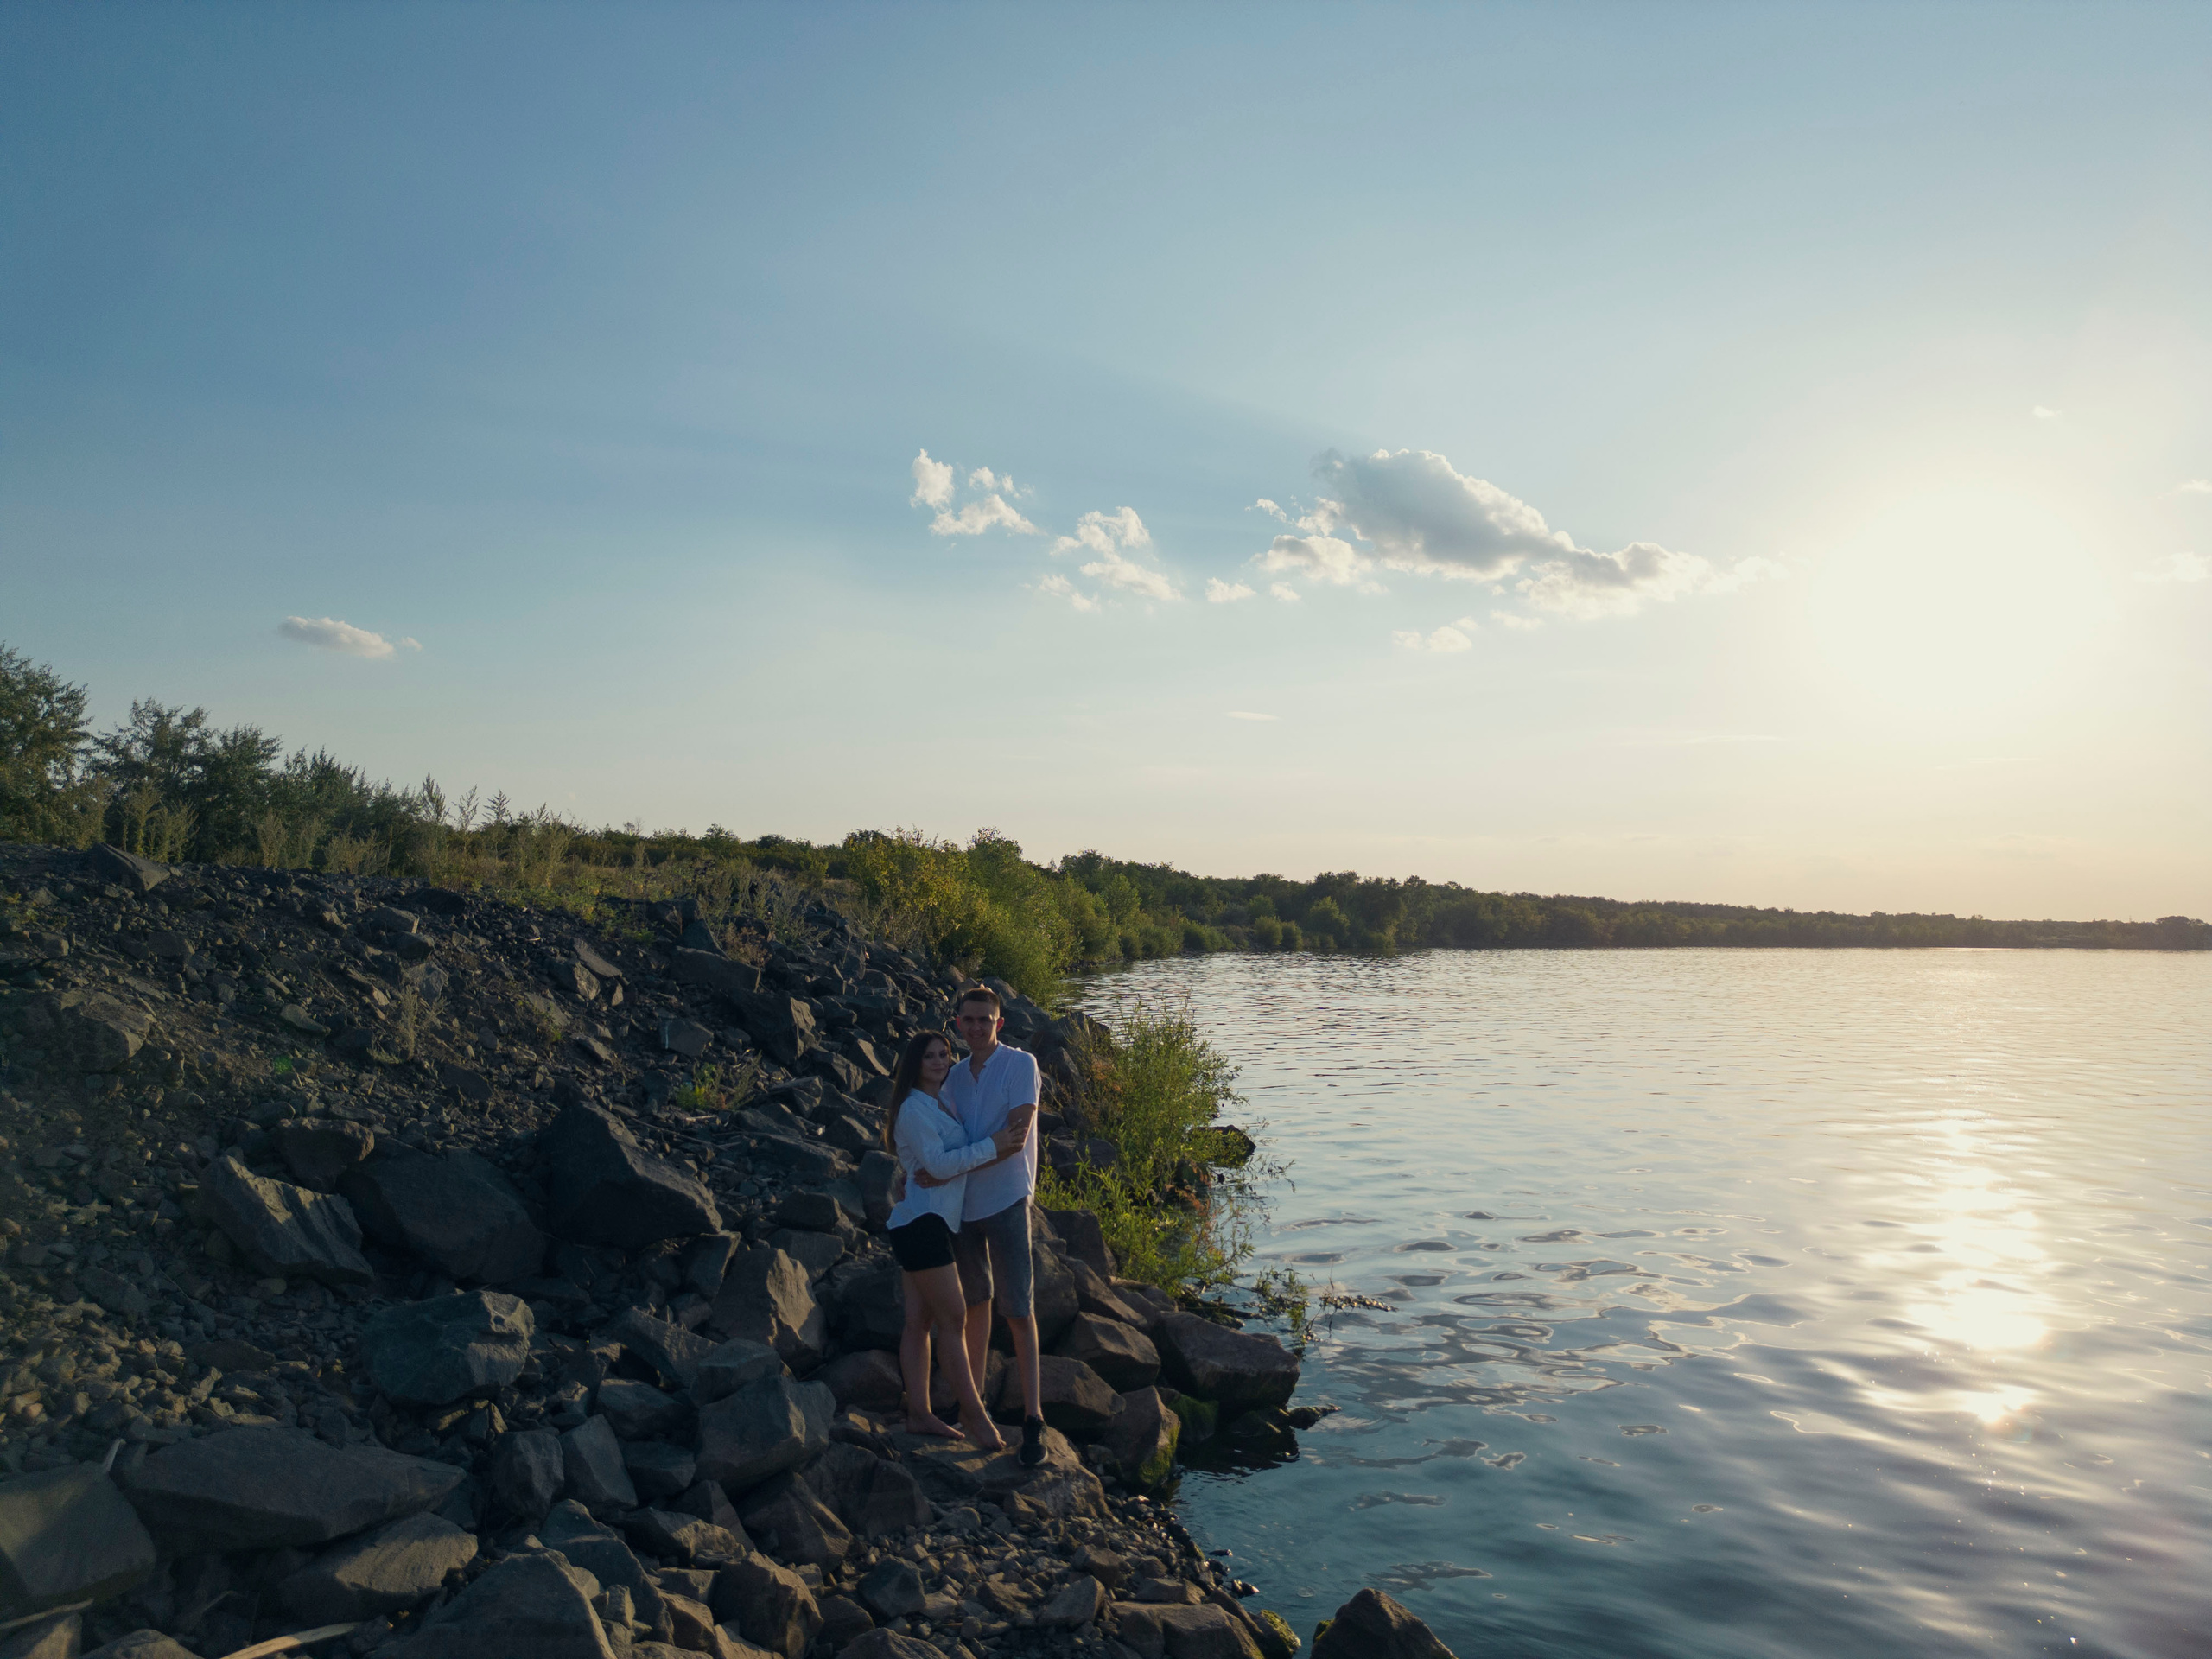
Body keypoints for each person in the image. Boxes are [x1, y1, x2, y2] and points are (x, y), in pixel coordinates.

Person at [919, 985, 1049, 1467]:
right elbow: (932, 1133)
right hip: (963, 1203)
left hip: (1008, 1197)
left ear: (1000, 1023)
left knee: (1019, 1307)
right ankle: (973, 1405)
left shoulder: (1021, 1066)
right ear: (957, 1024)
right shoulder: (951, 1077)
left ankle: (1034, 1418)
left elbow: (1016, 1136)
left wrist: (949, 1163)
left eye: (984, 1019)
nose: (976, 1027)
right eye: (968, 1020)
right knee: (975, 1303)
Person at [880, 1029, 1029, 1446]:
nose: (939, 1061)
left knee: (918, 1324)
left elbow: (938, 1166)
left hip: (927, 1221)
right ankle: (976, 1416)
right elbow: (939, 1165)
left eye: (944, 1054)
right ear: (914, 1063)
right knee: (954, 1318)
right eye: (929, 1056)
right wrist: (993, 1145)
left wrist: (939, 1167)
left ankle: (920, 1415)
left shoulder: (939, 1102)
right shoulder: (913, 1109)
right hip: (922, 1226)